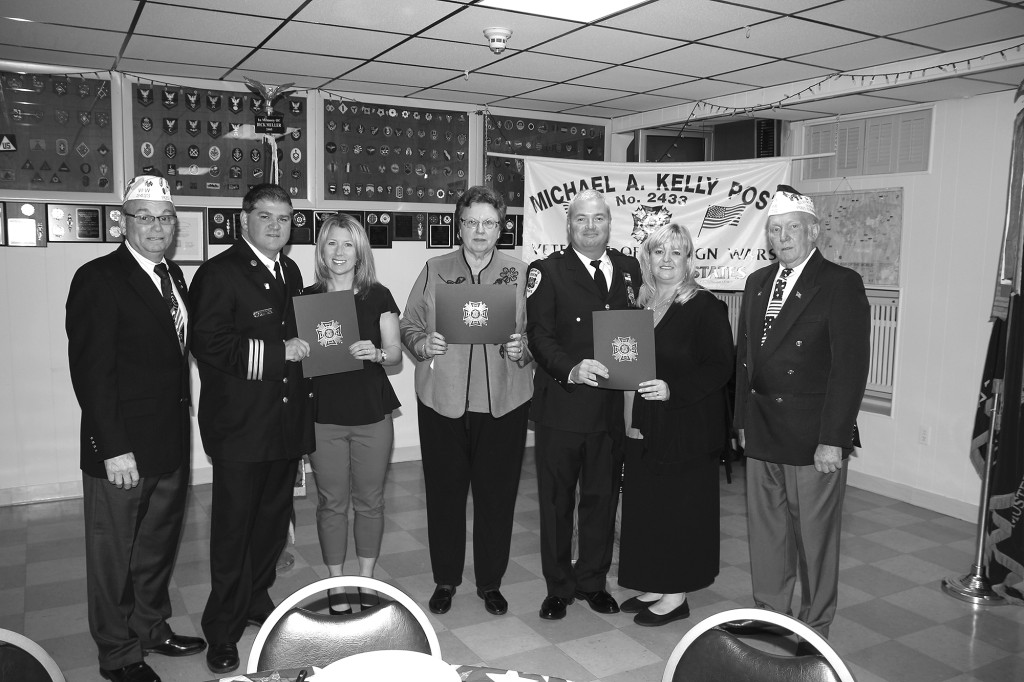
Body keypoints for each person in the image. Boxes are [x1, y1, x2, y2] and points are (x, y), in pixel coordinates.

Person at [66, 175, 205, 682]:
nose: (156, 227)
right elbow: (91, 372)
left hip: (168, 439)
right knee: (113, 555)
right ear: (123, 221)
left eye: (165, 217)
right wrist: (114, 448)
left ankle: (151, 627)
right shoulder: (98, 278)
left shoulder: (173, 277)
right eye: (144, 217)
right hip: (121, 449)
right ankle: (118, 654)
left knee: (156, 545)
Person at [725, 185, 870, 649]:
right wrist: (741, 420)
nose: (783, 237)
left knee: (815, 540)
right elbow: (745, 359)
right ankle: (770, 612)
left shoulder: (839, 284)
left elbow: (850, 368)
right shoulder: (757, 282)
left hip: (813, 438)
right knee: (767, 534)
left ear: (814, 232)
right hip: (763, 427)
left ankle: (815, 624)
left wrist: (835, 438)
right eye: (775, 229)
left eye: (792, 229)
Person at [190, 184, 313, 674]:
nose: (276, 226)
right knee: (233, 531)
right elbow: (210, 346)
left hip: (283, 424)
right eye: (266, 216)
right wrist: (280, 353)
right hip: (241, 427)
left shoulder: (290, 269)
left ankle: (256, 595)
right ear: (244, 219)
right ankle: (221, 626)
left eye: (285, 218)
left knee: (269, 525)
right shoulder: (218, 273)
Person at [400, 186, 533, 616]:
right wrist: (424, 344)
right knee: (444, 494)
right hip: (443, 401)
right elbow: (408, 325)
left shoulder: (519, 272)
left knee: (497, 497)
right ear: (459, 226)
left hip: (503, 402)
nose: (480, 230)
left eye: (489, 222)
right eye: (472, 222)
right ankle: (446, 580)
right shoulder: (434, 268)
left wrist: (523, 349)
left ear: (502, 228)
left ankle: (490, 582)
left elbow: (539, 336)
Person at [526, 189, 642, 620]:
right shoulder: (547, 271)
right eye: (581, 220)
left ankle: (593, 581)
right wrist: (571, 368)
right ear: (568, 225)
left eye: (598, 219)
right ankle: (558, 587)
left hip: (611, 410)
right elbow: (539, 334)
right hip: (563, 405)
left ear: (609, 223)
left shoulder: (630, 269)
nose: (590, 227)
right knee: (557, 504)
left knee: (601, 499)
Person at [617, 223, 733, 626]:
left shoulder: (705, 306)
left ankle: (676, 593)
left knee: (679, 511)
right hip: (647, 423)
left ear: (688, 260)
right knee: (649, 506)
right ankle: (655, 582)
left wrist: (673, 389)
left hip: (687, 426)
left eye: (676, 253)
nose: (666, 260)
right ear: (646, 258)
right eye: (658, 252)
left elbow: (721, 367)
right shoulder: (641, 305)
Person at [304, 213, 402, 613]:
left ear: (360, 251)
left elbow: (395, 353)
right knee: (331, 502)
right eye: (331, 243)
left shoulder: (378, 296)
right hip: (323, 415)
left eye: (348, 244)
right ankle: (335, 587)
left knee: (370, 501)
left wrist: (377, 352)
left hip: (372, 414)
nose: (339, 252)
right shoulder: (306, 298)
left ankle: (365, 580)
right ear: (321, 251)